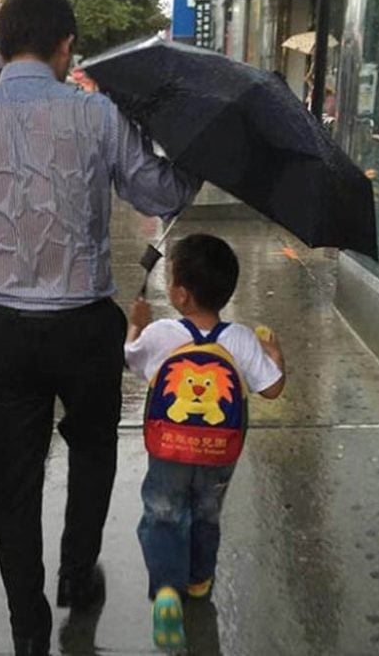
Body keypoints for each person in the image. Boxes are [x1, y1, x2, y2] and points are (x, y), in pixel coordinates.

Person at [0, 0, 200, 654]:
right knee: (93, 450)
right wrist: (191, 153)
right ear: (65, 46)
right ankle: (78, 573)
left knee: (12, 476)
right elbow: (159, 192)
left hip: (2, 331)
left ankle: (28, 624)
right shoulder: (99, 114)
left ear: (0, 45)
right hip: (84, 328)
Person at [124, 234, 285, 650]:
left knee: (163, 512)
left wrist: (136, 323)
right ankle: (198, 581)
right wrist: (275, 355)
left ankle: (165, 592)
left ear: (180, 294)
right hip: (218, 455)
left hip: (169, 449)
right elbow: (271, 389)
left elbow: (131, 358)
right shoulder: (242, 339)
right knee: (206, 513)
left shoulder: (161, 334)